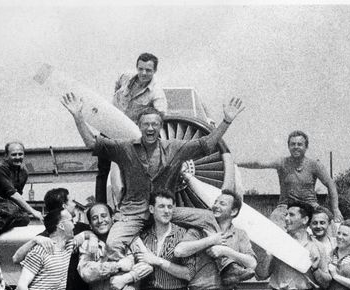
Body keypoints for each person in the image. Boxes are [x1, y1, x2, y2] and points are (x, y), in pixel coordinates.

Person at [61, 93, 244, 259]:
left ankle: (225, 263)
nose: (150, 128)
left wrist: (226, 121)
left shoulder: (174, 148)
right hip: (132, 212)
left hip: (165, 210)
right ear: (139, 126)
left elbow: (206, 144)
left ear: (160, 126)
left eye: (154, 124)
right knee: (113, 244)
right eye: (146, 124)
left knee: (209, 218)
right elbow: (92, 143)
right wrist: (78, 117)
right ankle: (129, 285)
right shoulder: (124, 148)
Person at [236, 130, 343, 227]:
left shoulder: (314, 164)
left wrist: (335, 209)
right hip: (285, 206)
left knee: (330, 223)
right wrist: (236, 163)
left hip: (310, 205)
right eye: (293, 144)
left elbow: (330, 184)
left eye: (300, 144)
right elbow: (258, 163)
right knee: (273, 225)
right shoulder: (282, 162)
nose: (296, 147)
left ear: (306, 147)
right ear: (288, 146)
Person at [0, 141, 43, 241]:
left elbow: (18, 195)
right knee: (12, 209)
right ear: (6, 156)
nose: (17, 157)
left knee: (25, 218)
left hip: (6, 205)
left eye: (20, 154)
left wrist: (22, 212)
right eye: (13, 154)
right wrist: (33, 211)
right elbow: (12, 194)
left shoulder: (24, 173)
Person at [112, 52, 168, 124]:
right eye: (140, 69)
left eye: (148, 70)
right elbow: (117, 86)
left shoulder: (157, 93)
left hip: (130, 129)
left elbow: (160, 116)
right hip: (113, 121)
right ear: (137, 67)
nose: (143, 73)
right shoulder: (125, 77)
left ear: (155, 70)